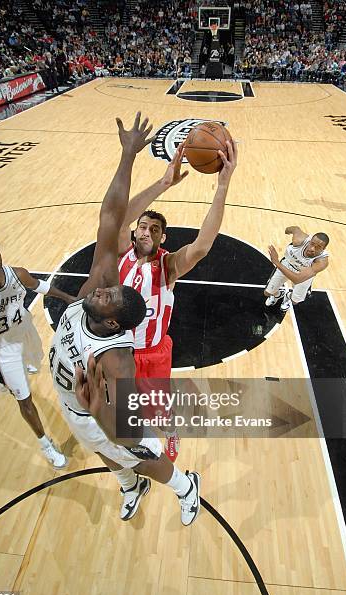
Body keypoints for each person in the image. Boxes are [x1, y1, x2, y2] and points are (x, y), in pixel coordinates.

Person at [51, 112, 201, 525]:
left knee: (141, 457)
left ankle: (186, 487)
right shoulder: (94, 289)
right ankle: (129, 486)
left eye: (109, 296)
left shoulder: (115, 361)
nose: (102, 287)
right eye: (110, 287)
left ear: (114, 324)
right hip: (73, 406)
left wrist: (99, 412)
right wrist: (128, 156)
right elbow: (110, 217)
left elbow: (127, 433)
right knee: (103, 454)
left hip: (98, 413)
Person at [117, 139, 238, 461]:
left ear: (162, 237)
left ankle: (169, 433)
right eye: (142, 226)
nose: (145, 231)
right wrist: (163, 183)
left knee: (158, 408)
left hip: (152, 353)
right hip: (117, 349)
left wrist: (222, 185)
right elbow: (119, 219)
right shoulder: (120, 255)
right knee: (123, 404)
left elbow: (201, 246)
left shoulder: (168, 266)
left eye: (154, 229)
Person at [0, 239, 75, 468]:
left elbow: (40, 285)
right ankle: (46, 445)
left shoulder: (17, 274)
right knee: (25, 399)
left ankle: (13, 377)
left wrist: (69, 298)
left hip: (27, 333)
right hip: (2, 349)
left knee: (35, 364)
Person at [265, 227, 329, 311]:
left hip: (303, 276)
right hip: (287, 264)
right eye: (312, 244)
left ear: (323, 249)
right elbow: (295, 229)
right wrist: (287, 230)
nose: (312, 249)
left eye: (318, 247)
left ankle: (288, 296)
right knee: (267, 293)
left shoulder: (322, 261)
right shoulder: (299, 240)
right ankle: (278, 295)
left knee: (295, 301)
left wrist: (276, 262)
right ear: (309, 241)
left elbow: (297, 279)